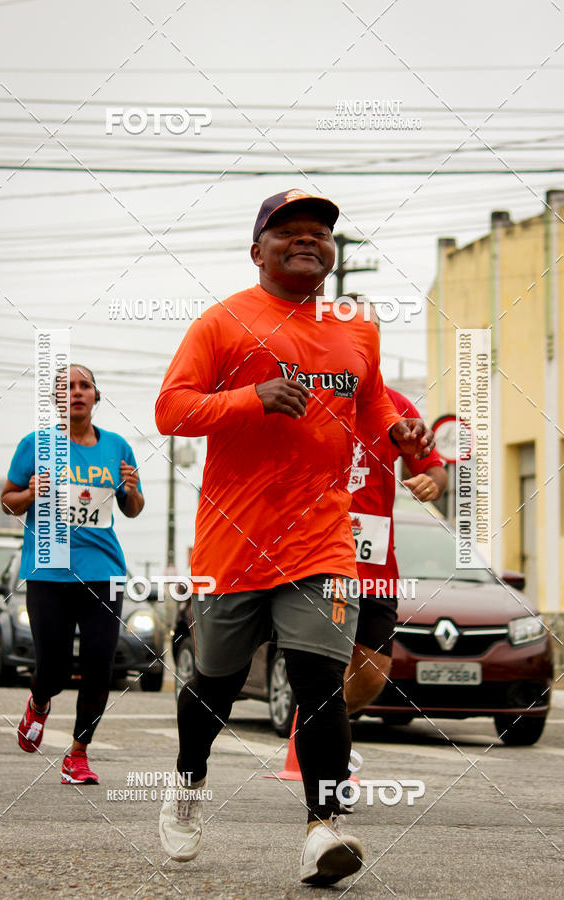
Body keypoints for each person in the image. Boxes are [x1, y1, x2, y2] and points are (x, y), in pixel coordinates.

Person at [155, 189, 435, 885]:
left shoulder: (357, 326)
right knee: (214, 684)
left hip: (321, 541)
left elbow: (369, 409)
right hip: (233, 541)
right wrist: (251, 398)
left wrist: (399, 433)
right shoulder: (221, 323)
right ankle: (188, 787)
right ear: (258, 252)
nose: (307, 241)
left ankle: (322, 831)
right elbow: (171, 410)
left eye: (319, 233)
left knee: (320, 684)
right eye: (289, 233)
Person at [1, 364, 144, 784]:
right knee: (55, 666)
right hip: (48, 571)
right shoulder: (36, 445)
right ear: (56, 400)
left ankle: (78, 753)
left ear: (96, 397)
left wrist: (131, 491)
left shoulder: (117, 447)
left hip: (104, 570)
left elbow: (132, 509)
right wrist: (30, 493)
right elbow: (9, 500)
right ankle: (40, 701)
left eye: (85, 386)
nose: (76, 392)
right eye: (66, 387)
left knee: (100, 664)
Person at [343, 300, 447, 718]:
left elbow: (435, 471)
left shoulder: (398, 407)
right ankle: (320, 742)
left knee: (373, 672)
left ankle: (322, 724)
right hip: (315, 552)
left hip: (375, 560)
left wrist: (431, 483)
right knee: (319, 660)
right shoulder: (311, 398)